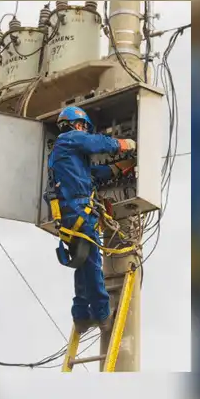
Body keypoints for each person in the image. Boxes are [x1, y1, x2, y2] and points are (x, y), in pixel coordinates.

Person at [47, 106, 135, 334]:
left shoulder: (68, 156)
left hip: (70, 213)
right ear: (78, 125)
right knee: (93, 265)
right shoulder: (69, 139)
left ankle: (81, 317)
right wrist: (123, 144)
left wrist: (118, 168)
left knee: (84, 262)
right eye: (84, 128)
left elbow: (93, 175)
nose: (85, 131)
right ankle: (102, 314)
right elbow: (97, 144)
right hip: (79, 211)